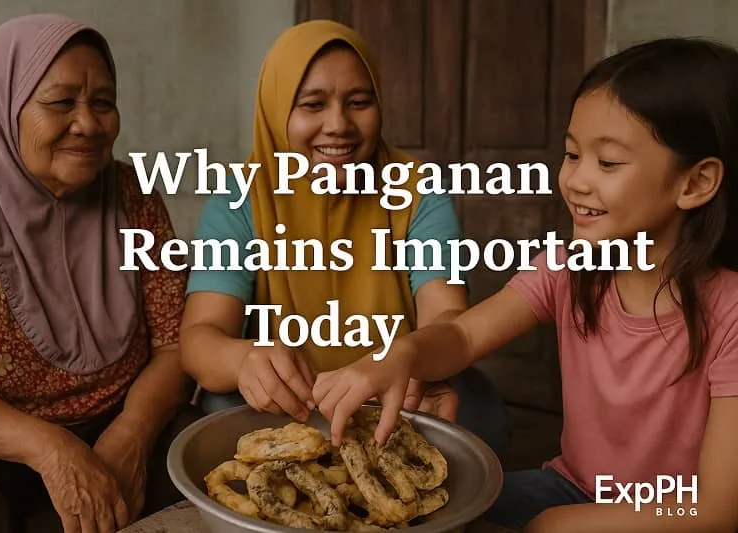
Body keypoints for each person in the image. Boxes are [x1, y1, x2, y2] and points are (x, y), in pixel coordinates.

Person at [312, 37, 738, 533]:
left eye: (607, 163)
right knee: (422, 513)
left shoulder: (730, 312)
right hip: (570, 488)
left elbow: (716, 510)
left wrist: (560, 525)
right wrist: (401, 355)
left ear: (695, 183)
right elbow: (464, 336)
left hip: (674, 518)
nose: (575, 180)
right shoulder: (567, 269)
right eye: (572, 154)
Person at [180, 20, 511, 457]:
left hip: (392, 390)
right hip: (292, 401)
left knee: (478, 411)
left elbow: (446, 314)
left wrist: (407, 359)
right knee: (220, 406)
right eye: (312, 105)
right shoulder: (239, 199)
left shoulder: (418, 191)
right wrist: (244, 360)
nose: (339, 125)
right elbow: (200, 336)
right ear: (276, 109)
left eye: (359, 102)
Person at [0, 14, 200, 533]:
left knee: (201, 444)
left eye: (103, 102)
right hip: (0, 455)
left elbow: (176, 346)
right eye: (61, 102)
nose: (88, 124)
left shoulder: (135, 197)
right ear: (6, 106)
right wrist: (51, 449)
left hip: (123, 436)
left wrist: (132, 434)